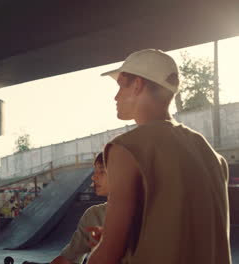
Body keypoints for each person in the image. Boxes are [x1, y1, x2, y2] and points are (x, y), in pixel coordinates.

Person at [87, 49, 231, 264]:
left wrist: (108, 243)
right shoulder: (211, 154)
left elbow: (109, 253)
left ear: (137, 84)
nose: (116, 96)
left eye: (121, 86)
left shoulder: (126, 148)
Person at [51, 153, 107, 264]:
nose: (93, 177)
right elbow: (68, 259)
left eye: (101, 171)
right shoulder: (93, 215)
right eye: (95, 171)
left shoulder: (147, 214)